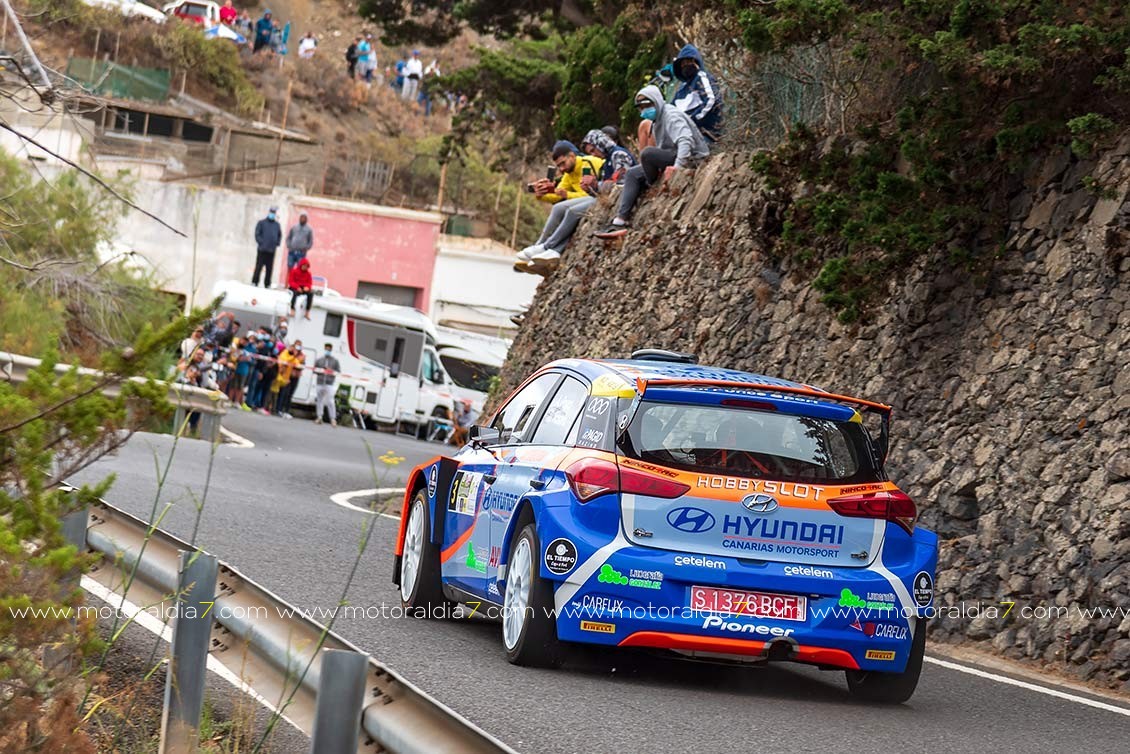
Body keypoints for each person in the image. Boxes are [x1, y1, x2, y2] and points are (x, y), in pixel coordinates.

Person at [594, 85, 709, 240]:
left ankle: (651, 182)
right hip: (673, 156)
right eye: (641, 107)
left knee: (647, 153)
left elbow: (685, 140)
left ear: (657, 101)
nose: (645, 110)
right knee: (632, 173)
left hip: (693, 158)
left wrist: (678, 167)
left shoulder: (670, 115)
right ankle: (620, 220)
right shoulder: (656, 121)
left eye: (648, 105)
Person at [515, 141, 603, 267]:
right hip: (585, 200)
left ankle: (547, 247)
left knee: (572, 211)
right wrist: (541, 194)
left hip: (598, 197)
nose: (562, 168)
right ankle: (538, 246)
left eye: (563, 163)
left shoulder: (587, 164)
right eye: (559, 166)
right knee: (557, 208)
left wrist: (568, 195)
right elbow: (557, 196)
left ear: (572, 156)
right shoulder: (568, 173)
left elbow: (593, 192)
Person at [672, 44, 723, 142]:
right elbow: (670, 110)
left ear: (695, 62)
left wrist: (692, 119)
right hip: (684, 135)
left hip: (706, 134)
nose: (685, 66)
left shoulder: (702, 78)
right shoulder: (681, 89)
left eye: (688, 62)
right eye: (682, 64)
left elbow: (712, 100)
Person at [252, 206, 282, 287]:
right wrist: (261, 242)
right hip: (262, 249)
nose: (272, 214)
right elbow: (257, 234)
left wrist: (276, 243)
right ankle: (255, 281)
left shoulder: (277, 225)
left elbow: (279, 235)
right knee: (259, 266)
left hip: (271, 250)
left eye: (273, 213)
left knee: (269, 268)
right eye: (271, 212)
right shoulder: (261, 223)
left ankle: (267, 283)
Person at [314, 343, 340, 426]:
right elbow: (314, 370)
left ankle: (333, 418)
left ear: (331, 350)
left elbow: (338, 372)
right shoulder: (319, 360)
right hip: (320, 382)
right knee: (319, 400)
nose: (327, 351)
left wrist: (330, 371)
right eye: (326, 349)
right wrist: (321, 370)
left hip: (329, 383)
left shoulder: (335, 361)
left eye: (329, 349)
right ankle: (319, 417)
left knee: (330, 401)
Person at [276, 340, 304, 418]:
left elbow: (298, 363)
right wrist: (294, 356)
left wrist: (298, 365)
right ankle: (279, 409)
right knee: (282, 393)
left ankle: (285, 410)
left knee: (289, 394)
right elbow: (286, 361)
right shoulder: (286, 353)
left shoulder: (301, 355)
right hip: (284, 376)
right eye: (295, 346)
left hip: (292, 377)